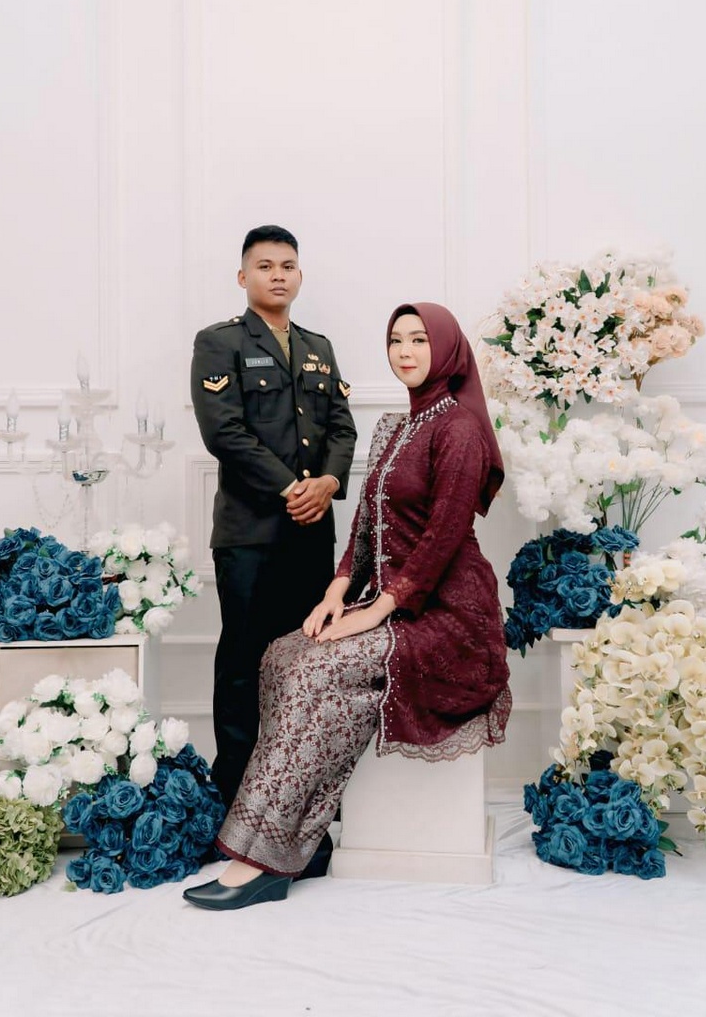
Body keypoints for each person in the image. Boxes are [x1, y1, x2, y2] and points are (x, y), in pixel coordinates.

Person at [184, 301, 512, 911]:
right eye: (396, 340)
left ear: (447, 350)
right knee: (284, 655)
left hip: (447, 615)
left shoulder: (458, 429)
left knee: (318, 667)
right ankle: (299, 845)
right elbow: (365, 523)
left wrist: (376, 609)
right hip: (387, 600)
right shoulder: (396, 426)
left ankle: (259, 861)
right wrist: (337, 592)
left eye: (420, 340)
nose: (406, 351)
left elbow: (442, 538)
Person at [190, 226, 357, 816]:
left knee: (308, 664)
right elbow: (223, 432)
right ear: (244, 277)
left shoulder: (318, 347)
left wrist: (329, 483)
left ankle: (299, 799)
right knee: (243, 663)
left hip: (311, 534)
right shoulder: (220, 343)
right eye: (265, 266)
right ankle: (236, 803)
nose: (278, 275)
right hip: (249, 534)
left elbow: (341, 427)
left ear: (300, 276)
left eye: (287, 265)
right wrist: (292, 487)